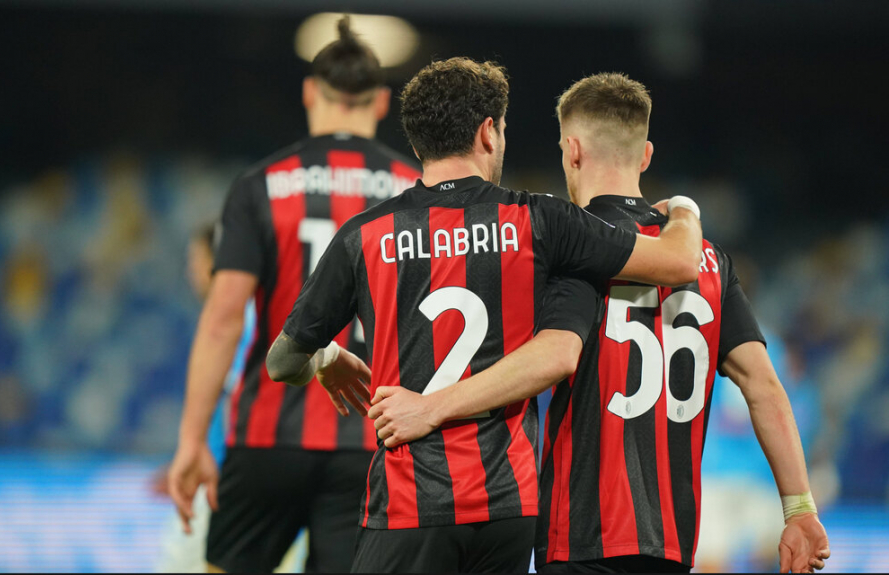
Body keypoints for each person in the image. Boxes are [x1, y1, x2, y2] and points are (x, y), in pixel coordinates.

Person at [367, 72, 830, 574]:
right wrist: (799, 509)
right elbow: (764, 386)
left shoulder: (570, 248)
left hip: (582, 535)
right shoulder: (711, 261)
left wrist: (430, 407)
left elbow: (553, 355)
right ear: (645, 156)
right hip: (672, 543)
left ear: (572, 151)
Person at [266, 57, 704, 573]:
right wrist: (685, 208)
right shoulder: (542, 220)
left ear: (417, 145)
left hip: (409, 505)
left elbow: (281, 362)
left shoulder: (363, 235)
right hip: (509, 509)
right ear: (488, 132)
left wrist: (327, 359)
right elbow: (679, 262)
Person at [167, 16, 422, 573]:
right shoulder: (415, 194)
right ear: (381, 102)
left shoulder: (259, 185)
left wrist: (191, 440)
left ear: (310, 92)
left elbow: (223, 318)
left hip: (267, 437)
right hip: (373, 440)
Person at [154, 224, 256, 572]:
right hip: (225, 474)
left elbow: (238, 402)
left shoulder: (237, 321)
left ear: (217, 263)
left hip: (223, 483)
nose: (190, 271)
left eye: (195, 260)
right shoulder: (246, 314)